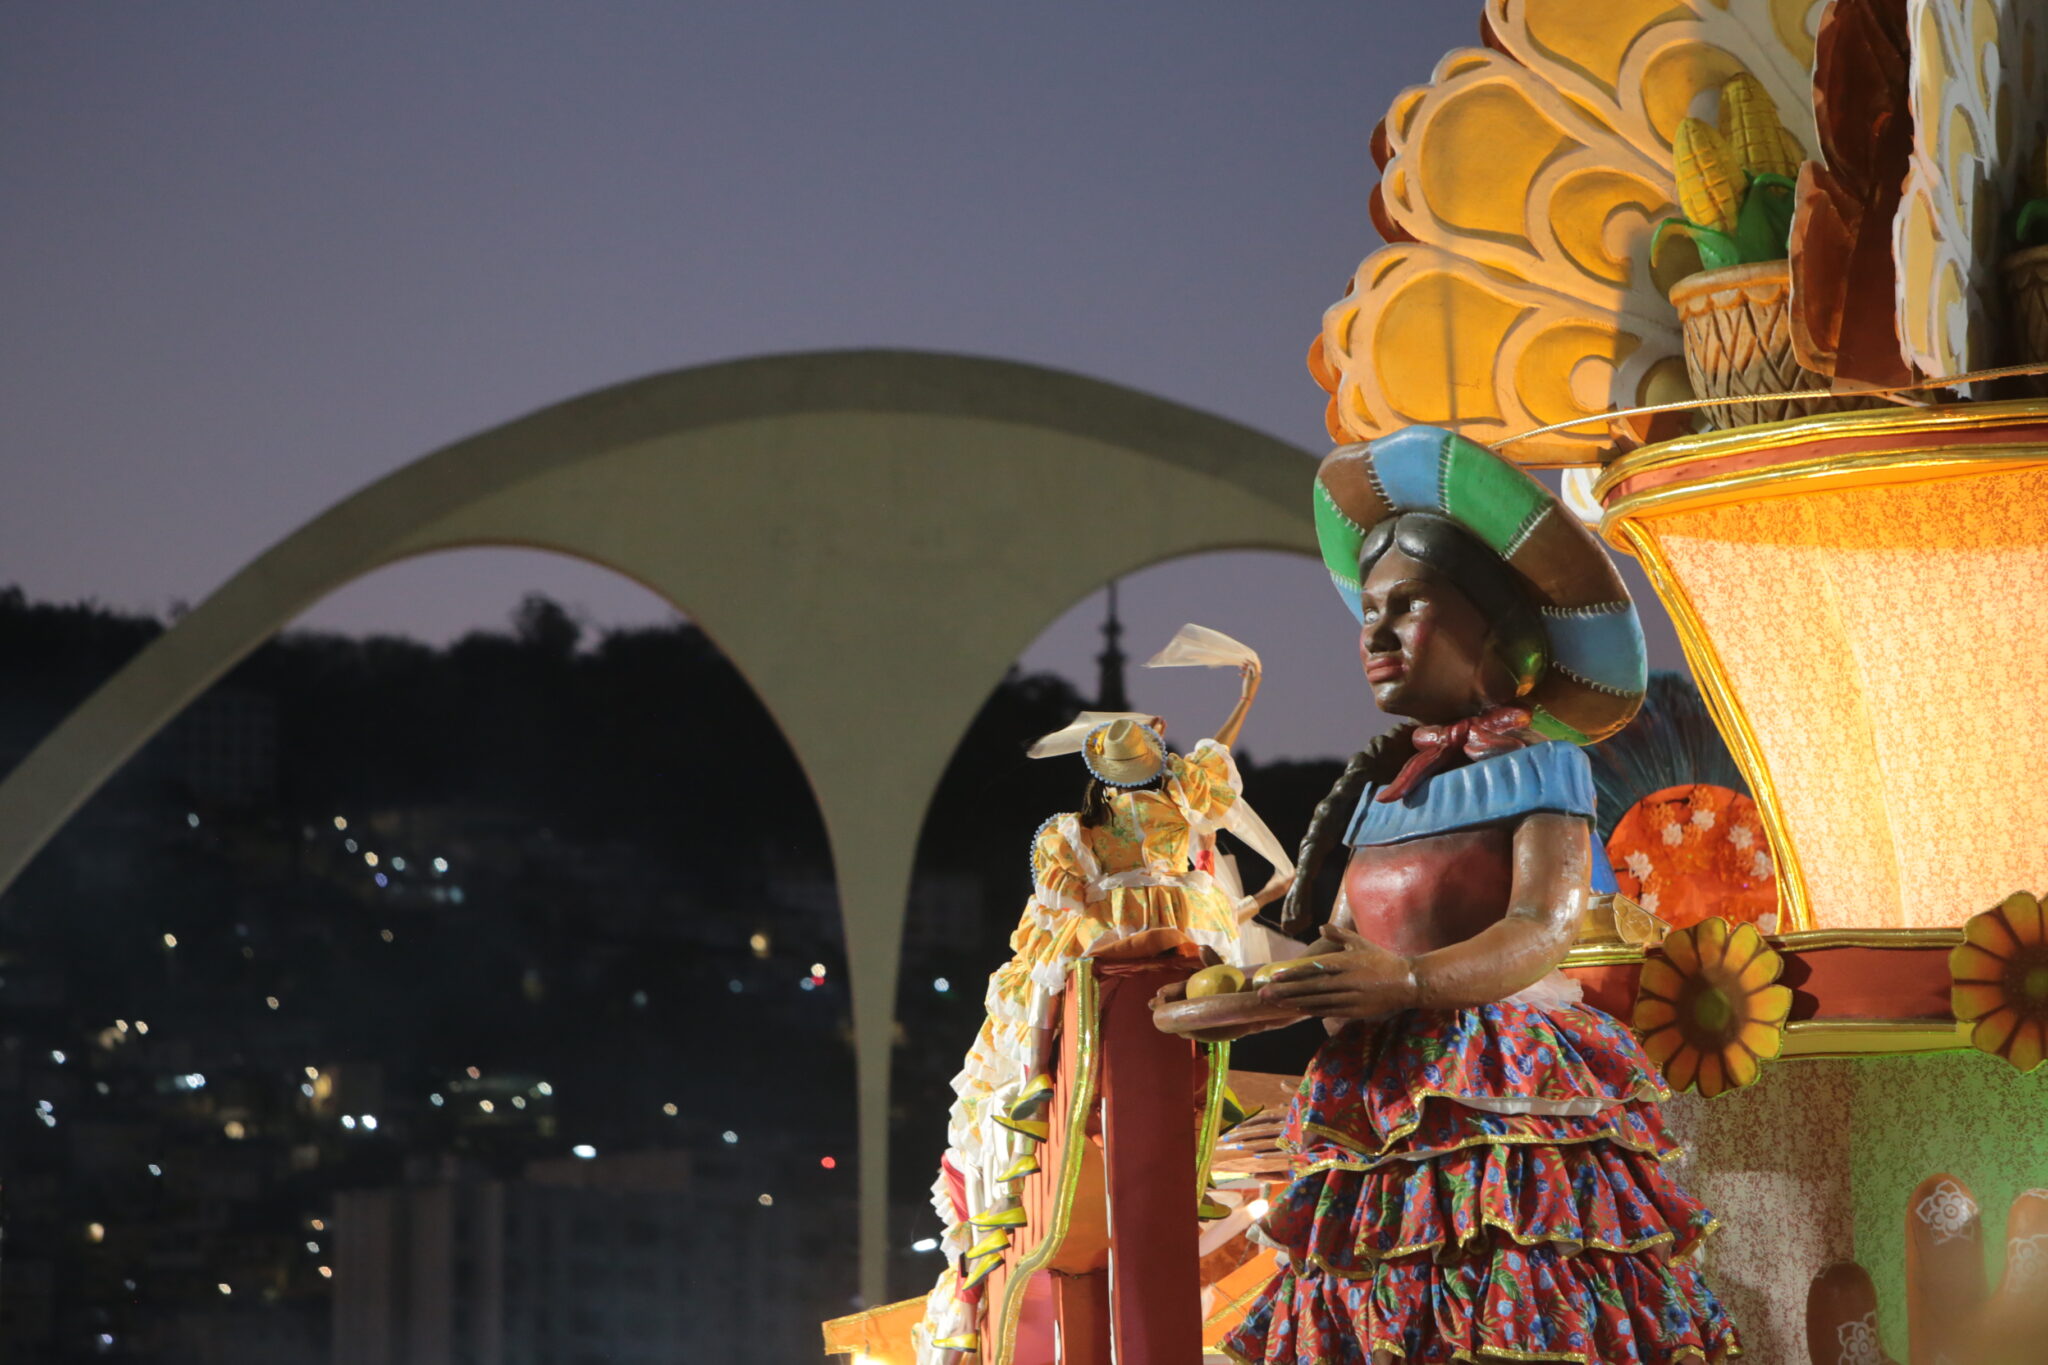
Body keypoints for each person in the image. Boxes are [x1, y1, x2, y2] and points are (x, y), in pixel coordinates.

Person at [1157, 427, 1740, 1364]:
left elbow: (1541, 926)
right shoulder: (1379, 792)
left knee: (1507, 1288)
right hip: (1379, 1102)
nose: (1374, 634)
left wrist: (1414, 982)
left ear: (1496, 634)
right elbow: (1343, 946)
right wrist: (1250, 999)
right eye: (1367, 613)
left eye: (1408, 605)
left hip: (1496, 1090)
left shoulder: (1541, 764)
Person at [914, 627, 1294, 1361]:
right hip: (1132, 929)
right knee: (1053, 978)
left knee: (1086, 975)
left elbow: (1210, 762)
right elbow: (1061, 896)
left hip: (1155, 926)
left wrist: (1244, 695)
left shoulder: (1151, 807)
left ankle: (1177, 1093)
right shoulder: (1080, 829)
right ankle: (1035, 1082)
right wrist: (1242, 696)